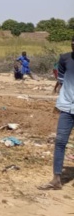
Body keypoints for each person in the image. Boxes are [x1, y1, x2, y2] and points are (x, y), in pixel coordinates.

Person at [39, 35, 74, 190]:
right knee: (60, 142)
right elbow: (61, 80)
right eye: (72, 41)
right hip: (66, 107)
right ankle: (56, 179)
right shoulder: (65, 58)